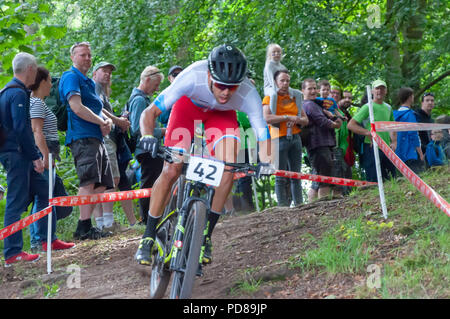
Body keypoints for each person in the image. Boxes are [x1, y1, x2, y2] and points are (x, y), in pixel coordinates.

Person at [135, 44, 272, 266]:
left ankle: (205, 235)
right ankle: (148, 236)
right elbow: (149, 113)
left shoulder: (248, 93)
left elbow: (262, 130)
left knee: (228, 167)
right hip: (187, 109)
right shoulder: (191, 76)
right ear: (209, 75)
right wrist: (148, 136)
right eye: (220, 85)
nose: (226, 92)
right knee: (172, 168)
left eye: (233, 87)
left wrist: (266, 160)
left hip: (222, 116)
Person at [59, 42, 115, 240]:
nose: (87, 59)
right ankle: (83, 227)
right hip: (82, 137)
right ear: (73, 57)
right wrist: (102, 121)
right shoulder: (70, 77)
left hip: (96, 138)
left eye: (89, 55)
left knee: (101, 183)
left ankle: (85, 226)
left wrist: (107, 121)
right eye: (83, 55)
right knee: (88, 180)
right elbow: (76, 107)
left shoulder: (89, 82)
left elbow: (97, 108)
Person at [0, 52, 46, 266]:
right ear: (29, 69)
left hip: (17, 153)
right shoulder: (16, 93)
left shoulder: (11, 91)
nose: (36, 72)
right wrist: (35, 156)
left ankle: (47, 239)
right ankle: (12, 253)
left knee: (45, 190)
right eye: (35, 68)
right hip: (17, 154)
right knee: (15, 202)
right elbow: (21, 128)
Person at [28, 66, 75, 252]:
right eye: (49, 81)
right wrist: (46, 156)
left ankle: (42, 239)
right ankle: (44, 239)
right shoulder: (37, 103)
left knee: (45, 197)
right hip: (43, 154)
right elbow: (37, 131)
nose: (51, 85)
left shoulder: (38, 102)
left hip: (46, 154)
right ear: (42, 82)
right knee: (45, 198)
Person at [92, 61, 136, 230]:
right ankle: (106, 223)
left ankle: (103, 223)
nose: (108, 74)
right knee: (110, 179)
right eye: (104, 71)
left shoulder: (102, 91)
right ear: (95, 73)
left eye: (110, 72)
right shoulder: (94, 87)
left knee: (104, 180)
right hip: (103, 138)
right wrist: (118, 120)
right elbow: (98, 110)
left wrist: (119, 120)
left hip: (105, 139)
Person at [262, 69, 308, 206]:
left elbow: (306, 120)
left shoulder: (295, 97)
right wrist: (286, 117)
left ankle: (299, 204)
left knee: (296, 175)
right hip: (278, 137)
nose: (285, 83)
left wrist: (297, 120)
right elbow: (267, 118)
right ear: (276, 82)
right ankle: (282, 207)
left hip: (295, 137)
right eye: (282, 80)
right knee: (280, 175)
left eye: (287, 80)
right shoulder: (269, 97)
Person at [128, 66, 165, 225]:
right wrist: (162, 131)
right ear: (147, 79)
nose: (157, 89)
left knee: (154, 183)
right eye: (156, 84)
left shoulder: (141, 99)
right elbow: (137, 128)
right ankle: (146, 219)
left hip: (150, 148)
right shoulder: (139, 100)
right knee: (149, 184)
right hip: (146, 149)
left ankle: (152, 216)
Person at [347, 79, 397, 182]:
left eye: (382, 88)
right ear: (372, 91)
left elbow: (392, 126)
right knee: (374, 180)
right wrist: (368, 133)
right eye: (377, 88)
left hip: (387, 148)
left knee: (392, 178)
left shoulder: (388, 107)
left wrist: (394, 142)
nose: (380, 91)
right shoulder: (367, 107)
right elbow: (351, 125)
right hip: (371, 146)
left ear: (386, 91)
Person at [302, 78, 343, 200]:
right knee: (324, 178)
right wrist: (335, 124)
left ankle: (313, 204)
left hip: (323, 144)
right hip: (318, 145)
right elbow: (322, 121)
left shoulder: (316, 104)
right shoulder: (309, 105)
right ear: (303, 90)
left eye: (315, 88)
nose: (313, 91)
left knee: (319, 177)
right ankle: (323, 205)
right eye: (310, 88)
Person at [263, 44, 303, 121]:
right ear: (270, 54)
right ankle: (273, 117)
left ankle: (299, 115)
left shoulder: (282, 66)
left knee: (298, 93)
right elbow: (271, 81)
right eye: (274, 52)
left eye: (278, 52)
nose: (276, 54)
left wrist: (289, 91)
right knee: (274, 94)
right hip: (270, 87)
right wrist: (279, 91)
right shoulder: (269, 65)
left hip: (282, 87)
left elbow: (286, 80)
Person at [393, 87, 424, 174]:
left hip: (399, 152)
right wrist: (420, 153)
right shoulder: (410, 114)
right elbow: (413, 134)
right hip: (411, 152)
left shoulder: (394, 115)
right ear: (410, 97)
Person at [415, 92, 435, 158]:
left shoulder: (432, 121)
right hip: (417, 153)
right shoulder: (415, 116)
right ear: (422, 103)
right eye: (427, 100)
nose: (430, 102)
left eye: (432, 100)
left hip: (430, 153)